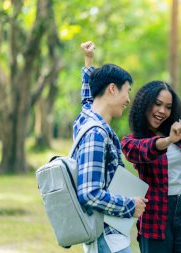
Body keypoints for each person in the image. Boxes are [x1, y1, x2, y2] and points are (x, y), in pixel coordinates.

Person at [120, 81, 181, 253]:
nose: (162, 111)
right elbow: (145, 151)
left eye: (168, 107)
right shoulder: (132, 141)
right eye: (157, 104)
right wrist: (168, 140)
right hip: (156, 215)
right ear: (144, 103)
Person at [72, 41, 147, 253]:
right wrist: (130, 206)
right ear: (112, 89)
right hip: (106, 236)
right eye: (127, 91)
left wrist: (88, 62)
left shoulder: (86, 118)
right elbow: (89, 193)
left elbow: (89, 98)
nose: (128, 99)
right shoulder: (96, 134)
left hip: (108, 234)